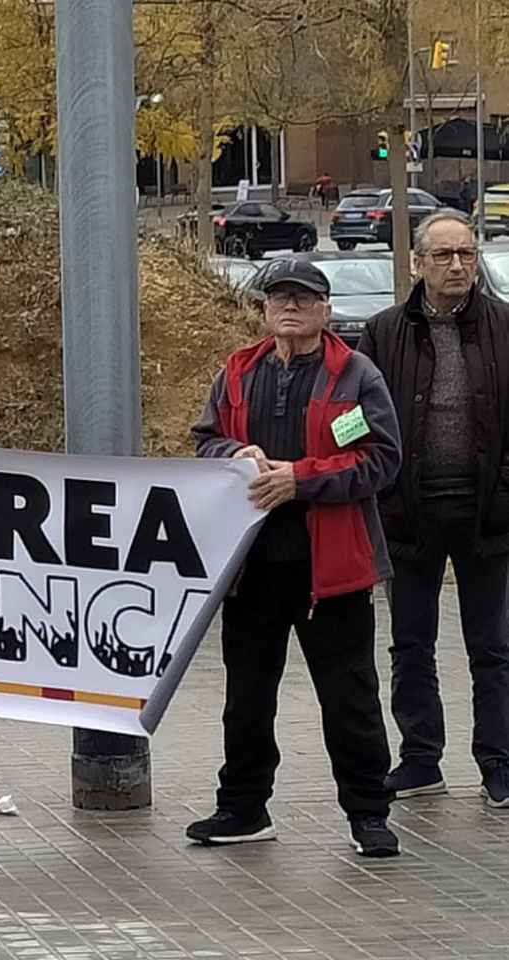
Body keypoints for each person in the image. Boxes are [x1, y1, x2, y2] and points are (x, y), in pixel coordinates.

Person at [190, 257, 403, 857]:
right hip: (251, 568)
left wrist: (299, 480)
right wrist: (235, 452)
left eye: (303, 298)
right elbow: (203, 441)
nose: (290, 307)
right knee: (247, 699)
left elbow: (381, 462)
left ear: (324, 310)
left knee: (350, 698)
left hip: (331, 572)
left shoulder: (355, 376)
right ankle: (243, 809)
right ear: (263, 309)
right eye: (279, 297)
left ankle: (368, 815)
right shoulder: (236, 372)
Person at [356, 209, 509, 807]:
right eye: (443, 255)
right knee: (410, 644)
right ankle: (421, 759)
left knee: (491, 648)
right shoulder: (383, 331)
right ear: (417, 263)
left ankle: (498, 761)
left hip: (487, 516)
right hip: (407, 515)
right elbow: (356, 418)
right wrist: (378, 482)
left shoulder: (503, 327)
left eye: (466, 254)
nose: (456, 266)